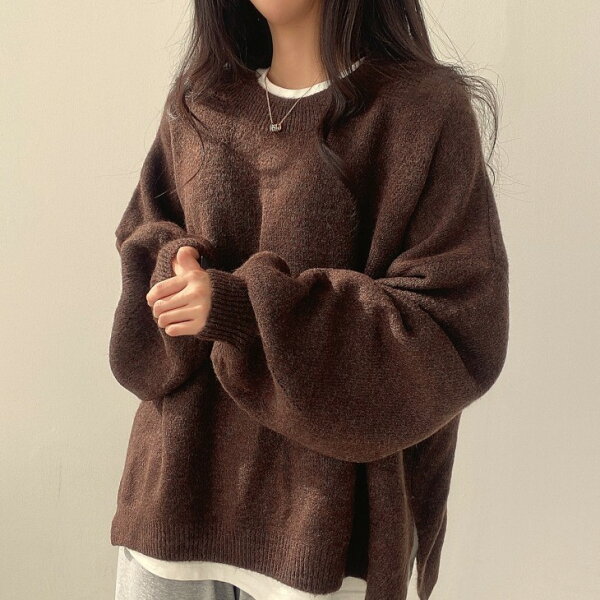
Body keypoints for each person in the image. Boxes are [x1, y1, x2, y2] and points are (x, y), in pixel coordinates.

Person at [108, 1, 509, 599]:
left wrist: (241, 309)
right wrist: (173, 268)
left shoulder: (422, 111)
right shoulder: (199, 103)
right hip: (173, 505)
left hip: (324, 535)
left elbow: (454, 326)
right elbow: (141, 244)